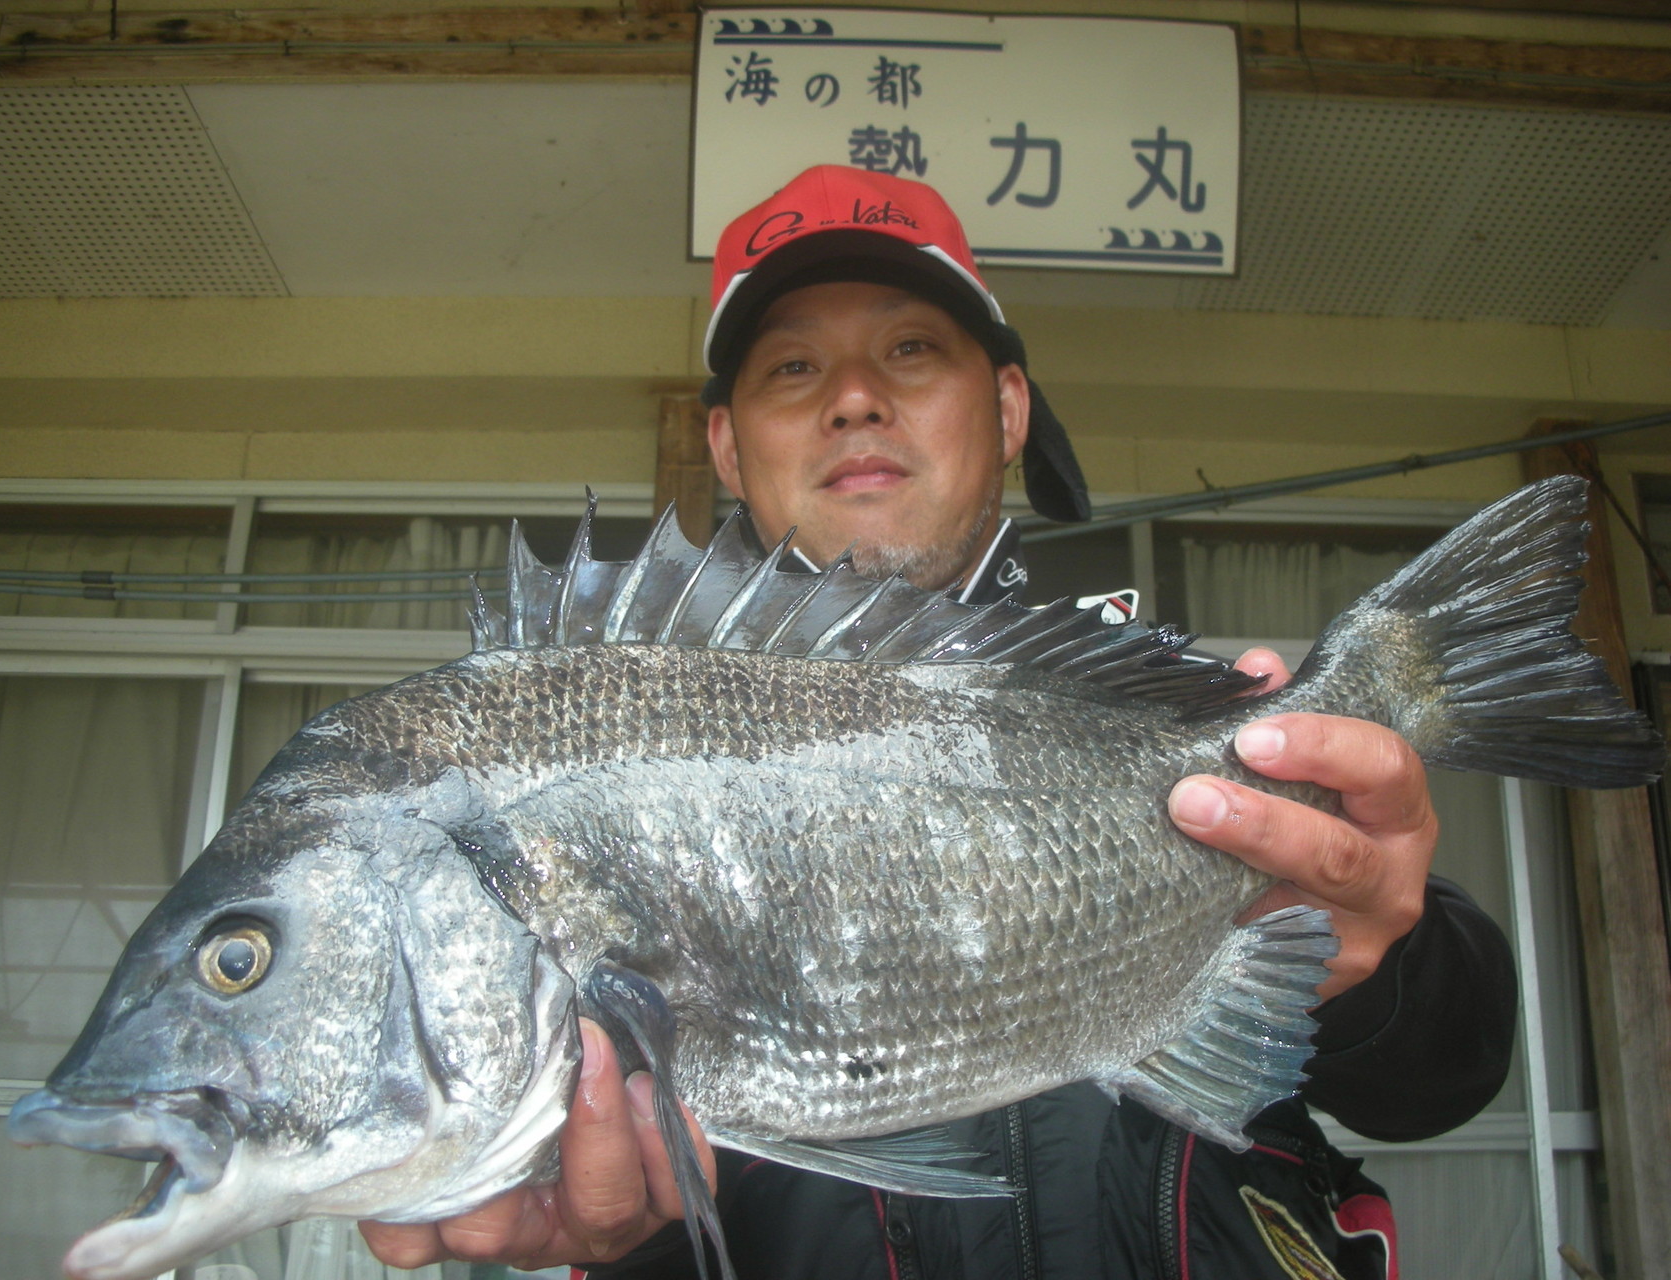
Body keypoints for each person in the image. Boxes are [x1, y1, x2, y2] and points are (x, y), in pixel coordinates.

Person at [361, 166, 1516, 1278]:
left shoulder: (1179, 730)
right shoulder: (610, 734)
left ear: (1007, 407)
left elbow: (1441, 1080)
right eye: (791, 365)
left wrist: (1380, 948)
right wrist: (637, 1233)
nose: (852, 396)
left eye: (910, 348)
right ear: (724, 443)